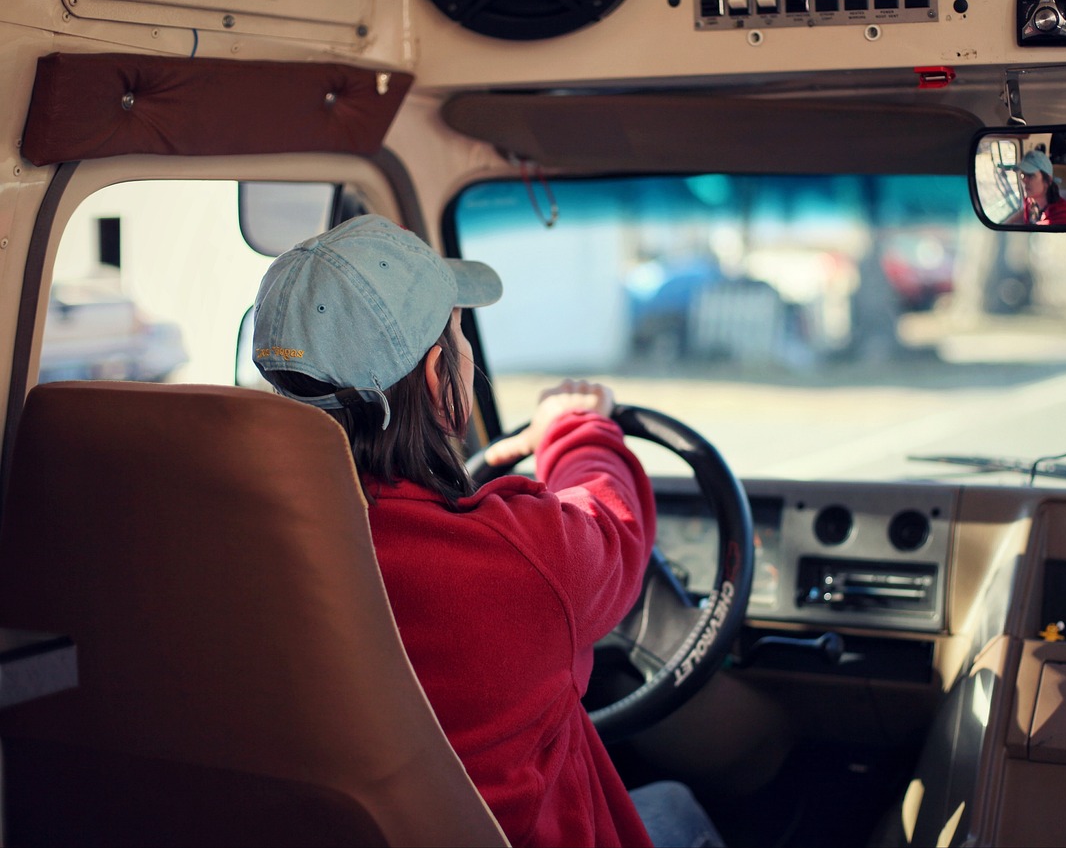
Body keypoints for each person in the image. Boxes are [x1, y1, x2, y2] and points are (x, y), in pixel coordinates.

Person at [251, 214, 724, 848]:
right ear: (436, 377)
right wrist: (575, 430)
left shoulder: (241, 550)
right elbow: (612, 526)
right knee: (680, 808)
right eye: (458, 333)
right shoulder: (515, 558)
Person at [1016, 150, 1066, 225]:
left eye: (1030, 175)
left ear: (1047, 181)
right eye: (1023, 175)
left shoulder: (1064, 217)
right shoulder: (1029, 202)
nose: (1024, 180)